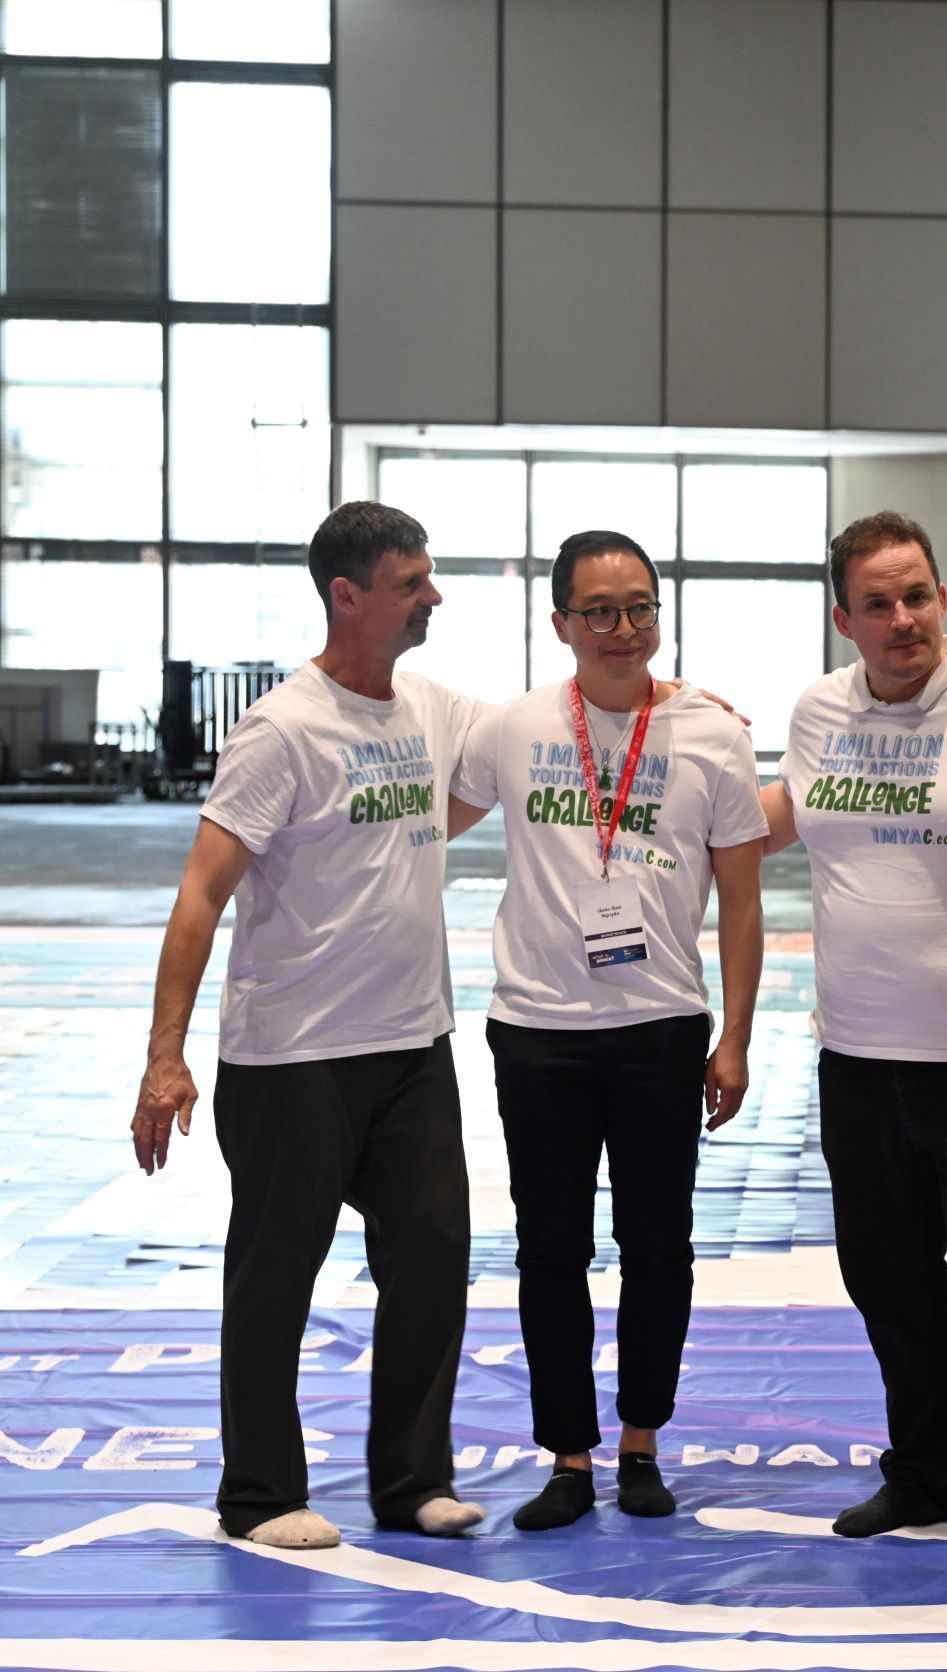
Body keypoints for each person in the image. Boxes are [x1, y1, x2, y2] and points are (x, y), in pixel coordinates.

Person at [129, 501, 488, 1549]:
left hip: (413, 1044)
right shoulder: (281, 728)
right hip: (294, 1056)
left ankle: (410, 1480)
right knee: (277, 1268)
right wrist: (165, 1057)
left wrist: (673, 700)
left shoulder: (431, 705)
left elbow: (536, 733)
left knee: (431, 1253)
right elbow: (200, 893)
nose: (432, 595)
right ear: (349, 595)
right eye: (412, 580)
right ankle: (260, 1496)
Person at [447, 529, 766, 1530]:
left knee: (658, 1245)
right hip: (536, 1026)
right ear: (561, 623)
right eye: (599, 610)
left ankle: (640, 1442)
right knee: (549, 1248)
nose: (622, 628)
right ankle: (569, 1455)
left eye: (639, 608)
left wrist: (737, 1038)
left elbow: (747, 906)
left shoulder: (712, 732)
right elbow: (422, 827)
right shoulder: (513, 726)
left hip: (662, 1025)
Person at [760, 511, 947, 1559]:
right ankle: (920, 1470)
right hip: (860, 1059)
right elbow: (782, 815)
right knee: (892, 1281)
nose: (902, 618)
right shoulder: (818, 710)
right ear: (844, 617)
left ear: (943, 596)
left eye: (916, 594)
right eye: (876, 603)